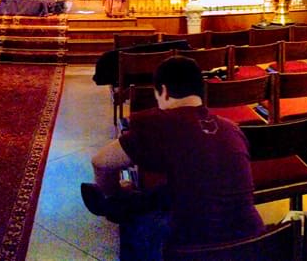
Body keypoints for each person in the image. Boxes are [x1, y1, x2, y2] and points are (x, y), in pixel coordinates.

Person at [85, 56, 263, 260]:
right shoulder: (231, 128)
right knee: (168, 191)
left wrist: (114, 191)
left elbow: (100, 162)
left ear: (164, 91)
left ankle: (113, 205)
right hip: (253, 241)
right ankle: (120, 204)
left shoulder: (160, 123)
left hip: (195, 248)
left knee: (132, 221)